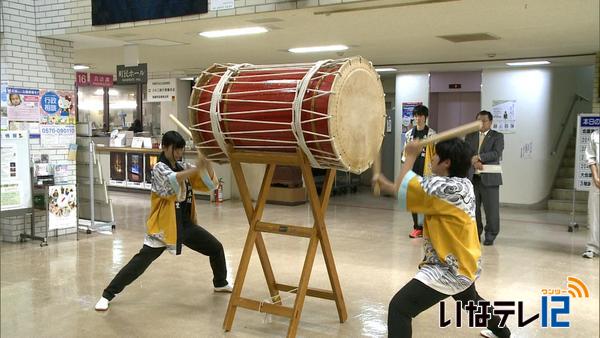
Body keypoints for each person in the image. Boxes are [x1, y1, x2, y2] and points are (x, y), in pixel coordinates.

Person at [373, 138, 511, 338]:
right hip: (466, 261)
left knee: (400, 308)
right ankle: (502, 332)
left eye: (436, 154)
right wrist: (385, 185)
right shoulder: (463, 184)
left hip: (448, 267)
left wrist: (410, 156)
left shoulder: (441, 188)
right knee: (470, 301)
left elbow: (406, 188)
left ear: (446, 163)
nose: (432, 157)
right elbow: (405, 189)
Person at [94, 130, 233, 311]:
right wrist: (195, 169)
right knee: (140, 263)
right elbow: (172, 182)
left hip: (184, 224)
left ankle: (220, 282)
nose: (178, 153)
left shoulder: (182, 165)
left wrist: (206, 164)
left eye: (181, 150)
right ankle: (107, 294)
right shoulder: (159, 167)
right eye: (175, 150)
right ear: (165, 147)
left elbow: (209, 185)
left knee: (215, 247)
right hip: (165, 227)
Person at [465, 111, 504, 246]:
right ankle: (476, 233)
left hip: (490, 179)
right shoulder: (470, 136)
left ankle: (490, 235)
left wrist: (479, 157)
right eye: (478, 121)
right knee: (473, 210)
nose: (481, 123)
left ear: (490, 122)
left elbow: (496, 153)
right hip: (472, 178)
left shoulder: (497, 136)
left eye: (484, 121)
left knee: (491, 210)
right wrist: (474, 162)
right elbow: (467, 153)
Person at [402, 105, 436, 238]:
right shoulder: (409, 134)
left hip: (427, 172)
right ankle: (417, 227)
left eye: (420, 116)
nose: (417, 118)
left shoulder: (432, 134)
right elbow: (405, 153)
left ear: (425, 117)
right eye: (416, 116)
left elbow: (435, 155)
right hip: (413, 171)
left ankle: (427, 228)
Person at [582, 129, 599, 259]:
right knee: (594, 214)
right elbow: (591, 157)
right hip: (598, 180)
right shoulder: (595, 135)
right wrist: (595, 177)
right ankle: (592, 247)